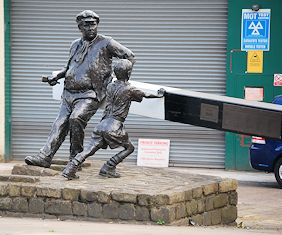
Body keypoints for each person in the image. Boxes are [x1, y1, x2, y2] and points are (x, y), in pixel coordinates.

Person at [25, 10, 135, 168]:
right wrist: (57, 77)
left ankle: (75, 158)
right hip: (69, 92)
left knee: (76, 118)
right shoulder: (75, 44)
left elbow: (130, 56)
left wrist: (120, 80)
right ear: (80, 27)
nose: (91, 28)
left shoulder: (106, 42)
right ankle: (45, 157)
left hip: (90, 93)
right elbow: (70, 67)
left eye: (93, 24)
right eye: (87, 25)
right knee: (59, 123)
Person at [62, 59, 165, 179]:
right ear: (128, 73)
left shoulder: (110, 86)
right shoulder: (130, 89)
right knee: (129, 148)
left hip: (102, 125)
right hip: (114, 126)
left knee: (89, 149)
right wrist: (159, 94)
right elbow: (146, 95)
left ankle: (70, 168)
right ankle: (109, 166)